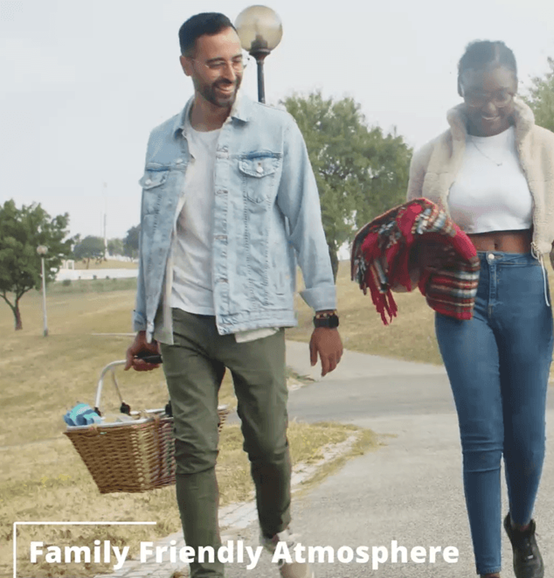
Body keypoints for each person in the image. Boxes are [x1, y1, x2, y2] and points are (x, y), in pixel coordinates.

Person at [124, 13, 343, 578]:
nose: (230, 73)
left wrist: (326, 312)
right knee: (193, 451)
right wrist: (144, 323)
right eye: (216, 62)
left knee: (268, 444)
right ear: (187, 66)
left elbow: (306, 224)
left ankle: (278, 532)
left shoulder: (276, 130)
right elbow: (153, 238)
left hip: (254, 316)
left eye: (237, 60)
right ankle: (206, 570)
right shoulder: (160, 141)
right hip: (183, 321)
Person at [405, 40, 554, 578]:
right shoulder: (433, 154)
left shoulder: (549, 150)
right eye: (478, 93)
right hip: (461, 295)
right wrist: (407, 259)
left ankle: (523, 527)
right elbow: (418, 230)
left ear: (516, 89)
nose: (491, 105)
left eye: (502, 94)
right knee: (481, 436)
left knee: (527, 437)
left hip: (524, 289)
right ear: (460, 87)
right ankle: (488, 567)